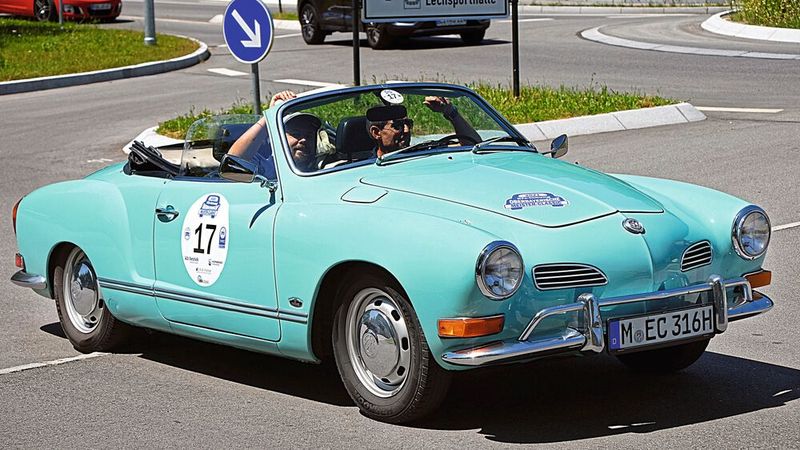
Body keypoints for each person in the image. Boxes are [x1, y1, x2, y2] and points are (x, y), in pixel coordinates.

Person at [227, 90, 323, 172]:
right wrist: (270, 116)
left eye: (309, 135)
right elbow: (234, 160)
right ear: (280, 138)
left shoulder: (323, 164)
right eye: (296, 134)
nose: (303, 140)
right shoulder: (270, 167)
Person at [366, 96, 481, 158]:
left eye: (408, 124)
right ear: (376, 133)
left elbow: (473, 144)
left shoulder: (422, 153)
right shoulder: (363, 166)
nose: (406, 130)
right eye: (397, 126)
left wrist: (450, 112)